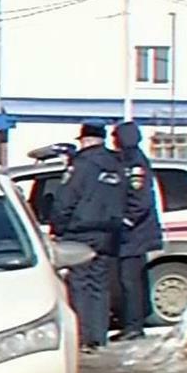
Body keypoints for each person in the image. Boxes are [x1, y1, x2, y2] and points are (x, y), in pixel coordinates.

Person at [51, 123, 126, 351]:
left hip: (81, 232)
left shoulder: (81, 165)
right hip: (109, 233)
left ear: (85, 140)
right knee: (99, 285)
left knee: (80, 284)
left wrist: (58, 226)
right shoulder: (118, 165)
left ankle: (83, 337)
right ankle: (98, 336)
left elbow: (66, 199)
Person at [110, 121, 163, 341]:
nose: (113, 141)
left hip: (134, 234)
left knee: (130, 281)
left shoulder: (134, 162)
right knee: (132, 280)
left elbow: (140, 200)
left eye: (115, 137)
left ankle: (133, 326)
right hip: (134, 233)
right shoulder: (127, 159)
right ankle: (134, 322)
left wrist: (126, 221)